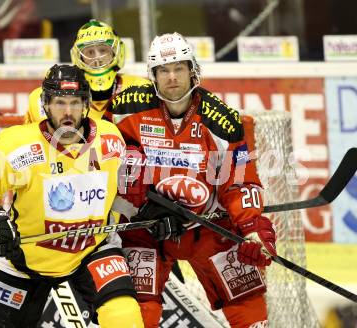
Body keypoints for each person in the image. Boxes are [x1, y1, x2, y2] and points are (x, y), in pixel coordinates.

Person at [105, 33, 277, 328]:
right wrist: (138, 201)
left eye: (179, 68)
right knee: (135, 312)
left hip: (209, 228)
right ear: (153, 75)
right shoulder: (125, 110)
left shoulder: (220, 120)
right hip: (148, 228)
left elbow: (238, 182)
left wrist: (252, 227)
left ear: (193, 70)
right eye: (163, 70)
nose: (172, 77)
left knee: (249, 309)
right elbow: (101, 154)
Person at [0, 64, 144, 328]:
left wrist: (150, 210)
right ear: (45, 104)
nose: (68, 112)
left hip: (93, 250)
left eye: (75, 103)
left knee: (125, 317)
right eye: (59, 103)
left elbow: (126, 191)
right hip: (23, 259)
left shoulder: (110, 140)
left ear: (86, 104)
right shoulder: (17, 145)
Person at [25, 19, 149, 123]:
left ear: (116, 52)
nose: (97, 58)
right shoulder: (44, 97)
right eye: (89, 52)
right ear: (78, 57)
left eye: (103, 50)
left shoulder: (141, 88)